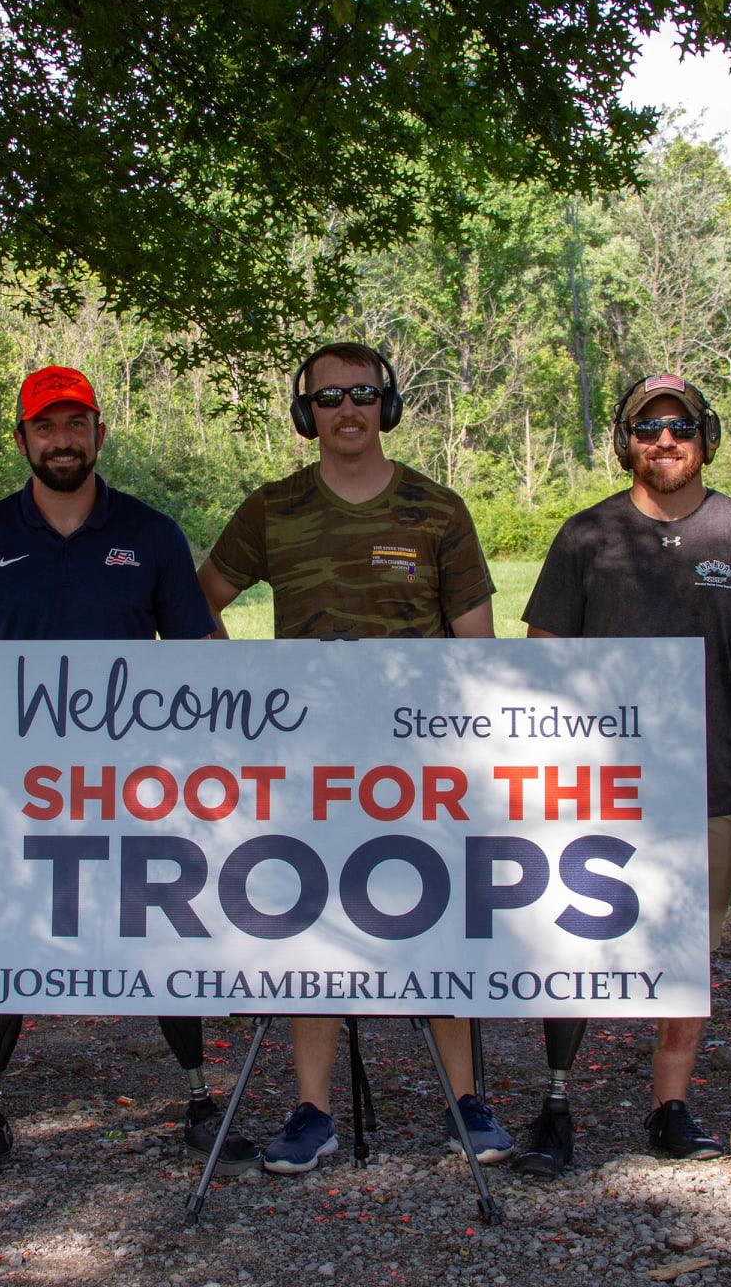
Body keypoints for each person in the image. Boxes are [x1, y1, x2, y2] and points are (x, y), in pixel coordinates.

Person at [0, 364, 262, 1184]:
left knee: (164, 931)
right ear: (23, 439)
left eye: (76, 424)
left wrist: (221, 763)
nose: (62, 440)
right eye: (46, 426)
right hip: (16, 789)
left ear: (100, 434)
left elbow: (201, 657)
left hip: (137, 787)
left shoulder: (149, 533)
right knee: (5, 939)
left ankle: (200, 1100)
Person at [196, 340, 514, 1174]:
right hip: (308, 763)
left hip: (422, 761)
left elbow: (478, 644)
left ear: (388, 405)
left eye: (363, 394)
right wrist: (244, 690)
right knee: (312, 925)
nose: (347, 410)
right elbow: (199, 601)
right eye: (329, 397)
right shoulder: (273, 509)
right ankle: (313, 1111)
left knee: (440, 919)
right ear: (306, 414)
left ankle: (465, 1101)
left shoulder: (437, 509)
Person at [510, 372, 731, 1176]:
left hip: (709, 781)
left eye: (680, 425)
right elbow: (544, 657)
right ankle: (556, 1104)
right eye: (647, 428)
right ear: (626, 443)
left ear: (705, 436)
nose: (665, 440)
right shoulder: (586, 536)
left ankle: (670, 1107)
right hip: (595, 785)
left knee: (689, 950)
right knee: (571, 942)